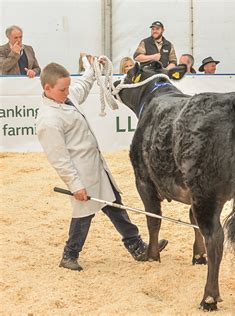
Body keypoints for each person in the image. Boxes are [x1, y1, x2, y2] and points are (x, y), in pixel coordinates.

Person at [36, 60, 168, 271]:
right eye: (62, 89)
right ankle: (69, 255)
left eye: (68, 87)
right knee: (84, 215)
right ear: (47, 88)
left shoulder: (67, 99)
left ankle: (136, 246)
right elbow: (59, 159)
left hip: (96, 167)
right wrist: (75, 185)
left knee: (116, 205)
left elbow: (83, 85)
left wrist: (93, 68)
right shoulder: (48, 120)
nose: (67, 92)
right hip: (81, 175)